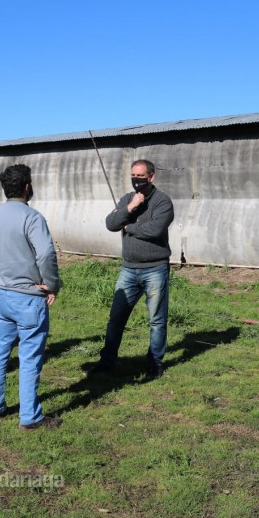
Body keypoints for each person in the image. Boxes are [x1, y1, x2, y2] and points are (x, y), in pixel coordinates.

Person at [0, 164, 62, 430]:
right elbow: (45, 255)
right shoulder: (32, 217)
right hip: (28, 297)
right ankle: (30, 417)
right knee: (29, 358)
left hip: (2, 296)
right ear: (27, 187)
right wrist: (51, 284)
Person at [94, 159, 175, 379]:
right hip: (128, 269)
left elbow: (155, 230)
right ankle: (107, 361)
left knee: (156, 320)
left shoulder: (162, 201)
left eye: (140, 176)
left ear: (151, 176)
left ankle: (154, 363)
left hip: (155, 268)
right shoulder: (127, 199)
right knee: (116, 318)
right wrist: (130, 207)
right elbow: (111, 224)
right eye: (133, 176)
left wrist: (129, 226)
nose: (136, 180)